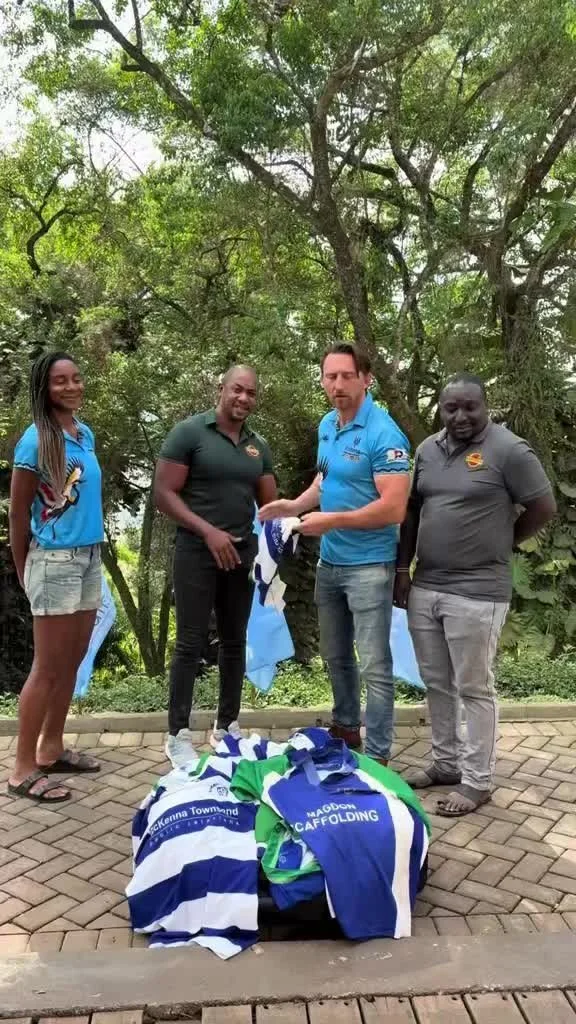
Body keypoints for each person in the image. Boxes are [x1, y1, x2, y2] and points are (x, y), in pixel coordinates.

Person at [394, 373, 556, 817]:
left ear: (485, 407)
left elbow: (544, 507)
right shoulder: (427, 450)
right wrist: (401, 570)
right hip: (427, 586)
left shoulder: (510, 450)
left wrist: (503, 541)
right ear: (441, 410)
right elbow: (412, 512)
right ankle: (446, 765)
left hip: (478, 592)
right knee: (436, 683)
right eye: (452, 408)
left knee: (474, 688)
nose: (461, 416)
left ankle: (478, 781)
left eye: (470, 407)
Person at [259, 343, 410, 765]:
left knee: (374, 664)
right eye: (330, 376)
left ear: (366, 379)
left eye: (347, 376)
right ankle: (346, 728)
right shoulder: (328, 424)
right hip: (331, 564)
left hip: (370, 567)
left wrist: (332, 521)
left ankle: (378, 758)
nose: (338, 384)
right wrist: (294, 506)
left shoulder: (384, 433)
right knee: (336, 654)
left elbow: (394, 508)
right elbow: (325, 479)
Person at [155, 365, 277, 767]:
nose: (244, 398)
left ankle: (227, 728)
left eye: (251, 393)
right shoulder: (189, 433)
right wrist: (209, 532)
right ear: (221, 388)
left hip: (240, 555)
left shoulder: (258, 446)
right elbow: (164, 494)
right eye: (237, 390)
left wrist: (302, 515)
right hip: (196, 552)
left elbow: (271, 505)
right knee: (189, 643)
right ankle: (177, 734)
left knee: (234, 641)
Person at [8, 352, 103, 803]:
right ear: (44, 388)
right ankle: (21, 769)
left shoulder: (83, 434)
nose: (71, 387)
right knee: (46, 668)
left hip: (89, 556)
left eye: (76, 379)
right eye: (60, 381)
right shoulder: (35, 440)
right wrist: (25, 568)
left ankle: (51, 748)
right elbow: (18, 515)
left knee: (71, 660)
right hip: (54, 560)